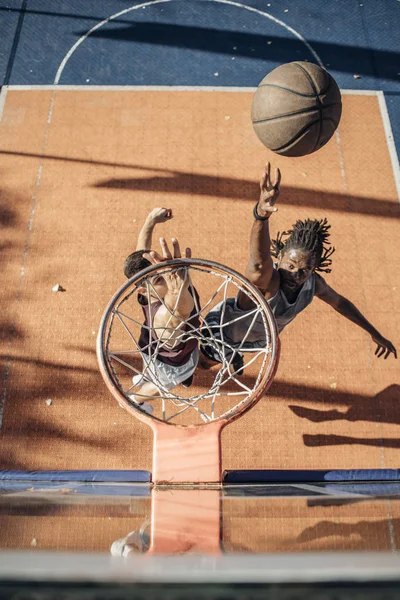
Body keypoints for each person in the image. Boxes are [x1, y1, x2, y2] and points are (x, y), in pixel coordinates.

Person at [200, 163, 397, 372]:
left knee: (230, 353)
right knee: (203, 365)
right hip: (221, 331)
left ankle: (234, 354)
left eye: (305, 269)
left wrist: (374, 332)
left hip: (255, 340)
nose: (296, 274)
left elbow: (340, 304)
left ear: (315, 268)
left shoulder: (314, 285)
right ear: (280, 255)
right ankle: (222, 354)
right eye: (290, 265)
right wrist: (261, 216)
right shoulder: (268, 281)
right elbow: (258, 262)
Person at [124, 208, 199, 415]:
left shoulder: (145, 289)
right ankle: (136, 400)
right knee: (159, 386)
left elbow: (142, 252)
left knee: (150, 366)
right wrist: (177, 290)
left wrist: (150, 221)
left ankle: (147, 374)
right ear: (143, 290)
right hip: (172, 365)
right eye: (158, 279)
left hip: (148, 346)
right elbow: (179, 315)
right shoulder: (163, 316)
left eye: (164, 271)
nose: (167, 277)